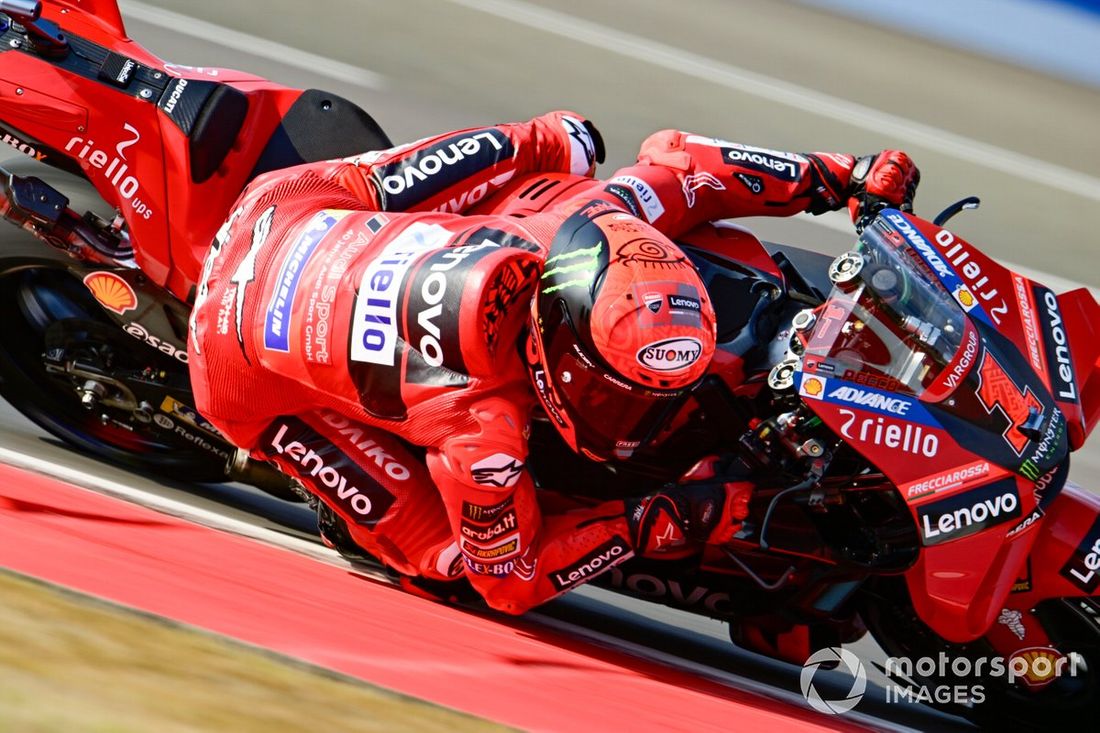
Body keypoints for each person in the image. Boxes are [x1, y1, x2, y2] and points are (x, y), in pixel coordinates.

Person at [187, 111, 919, 614]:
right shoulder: (483, 432)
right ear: (555, 350)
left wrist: (840, 176)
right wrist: (648, 519)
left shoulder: (600, 211)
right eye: (621, 396)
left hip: (289, 205)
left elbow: (688, 163)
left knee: (561, 142)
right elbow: (512, 581)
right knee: (451, 563)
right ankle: (337, 511)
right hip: (231, 358)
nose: (638, 417)